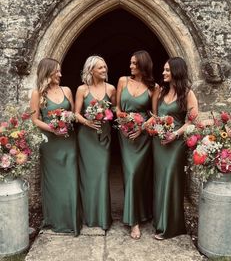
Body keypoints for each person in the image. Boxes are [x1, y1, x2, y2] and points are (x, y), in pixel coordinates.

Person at [30, 57, 82, 236]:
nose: (60, 74)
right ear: (48, 72)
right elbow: (35, 119)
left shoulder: (66, 90)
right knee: (54, 183)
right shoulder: (38, 94)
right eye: (57, 71)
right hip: (50, 144)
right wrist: (53, 128)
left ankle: (72, 220)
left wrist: (67, 120)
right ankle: (55, 219)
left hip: (68, 140)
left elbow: (73, 114)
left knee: (70, 179)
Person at [151, 56, 198, 240]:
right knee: (160, 181)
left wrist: (175, 134)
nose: (163, 73)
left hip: (175, 143)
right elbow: (155, 116)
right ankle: (159, 221)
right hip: (159, 143)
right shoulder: (161, 92)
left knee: (171, 179)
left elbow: (192, 122)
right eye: (164, 69)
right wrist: (154, 127)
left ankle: (170, 227)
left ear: (177, 71)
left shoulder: (188, 94)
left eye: (167, 70)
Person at [116, 50, 157, 239]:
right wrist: (123, 121)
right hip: (125, 136)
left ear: (143, 65)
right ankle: (134, 222)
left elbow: (154, 116)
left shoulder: (153, 87)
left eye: (134, 63)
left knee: (138, 176)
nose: (130, 66)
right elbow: (117, 107)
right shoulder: (123, 81)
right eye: (130, 63)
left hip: (142, 138)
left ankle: (141, 214)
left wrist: (141, 128)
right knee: (130, 174)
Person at [75, 55, 116, 230]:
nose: (104, 70)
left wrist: (107, 115)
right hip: (86, 137)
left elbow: (114, 111)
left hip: (104, 137)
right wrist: (87, 121)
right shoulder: (82, 90)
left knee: (102, 175)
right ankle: (90, 217)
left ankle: (103, 217)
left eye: (105, 67)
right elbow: (76, 114)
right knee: (88, 178)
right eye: (100, 68)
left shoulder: (111, 89)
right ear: (91, 70)